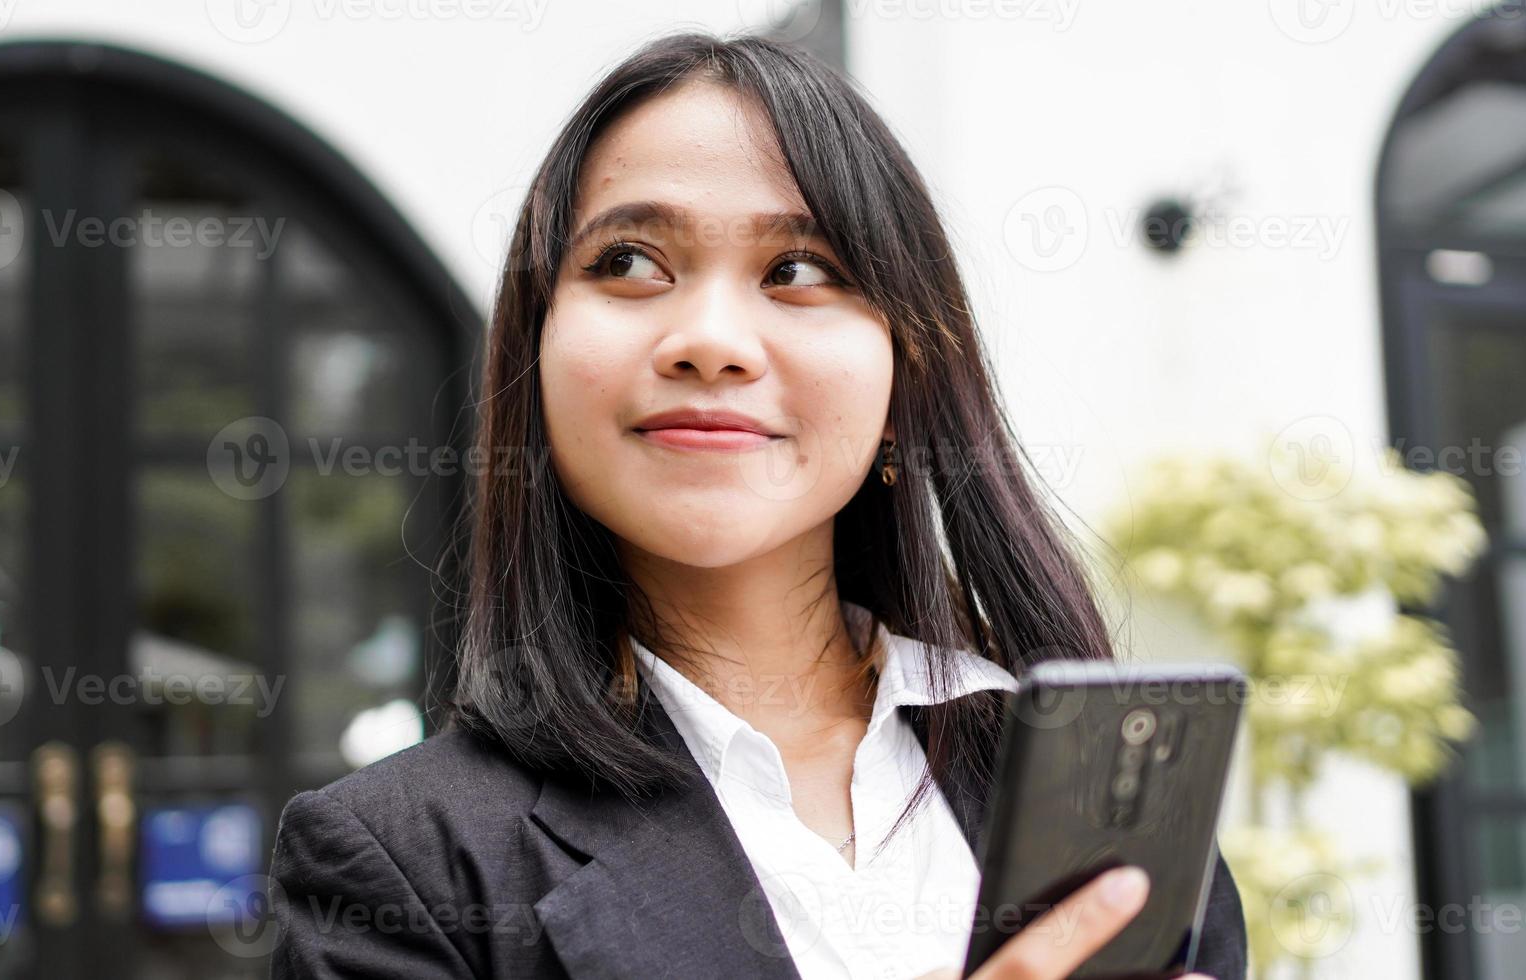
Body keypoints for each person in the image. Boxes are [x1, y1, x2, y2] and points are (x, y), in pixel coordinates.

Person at [268, 30, 1247, 980]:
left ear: (906, 377)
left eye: (796, 270)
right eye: (629, 263)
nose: (708, 339)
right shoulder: (401, 869)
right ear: (536, 360)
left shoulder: (1100, 812)